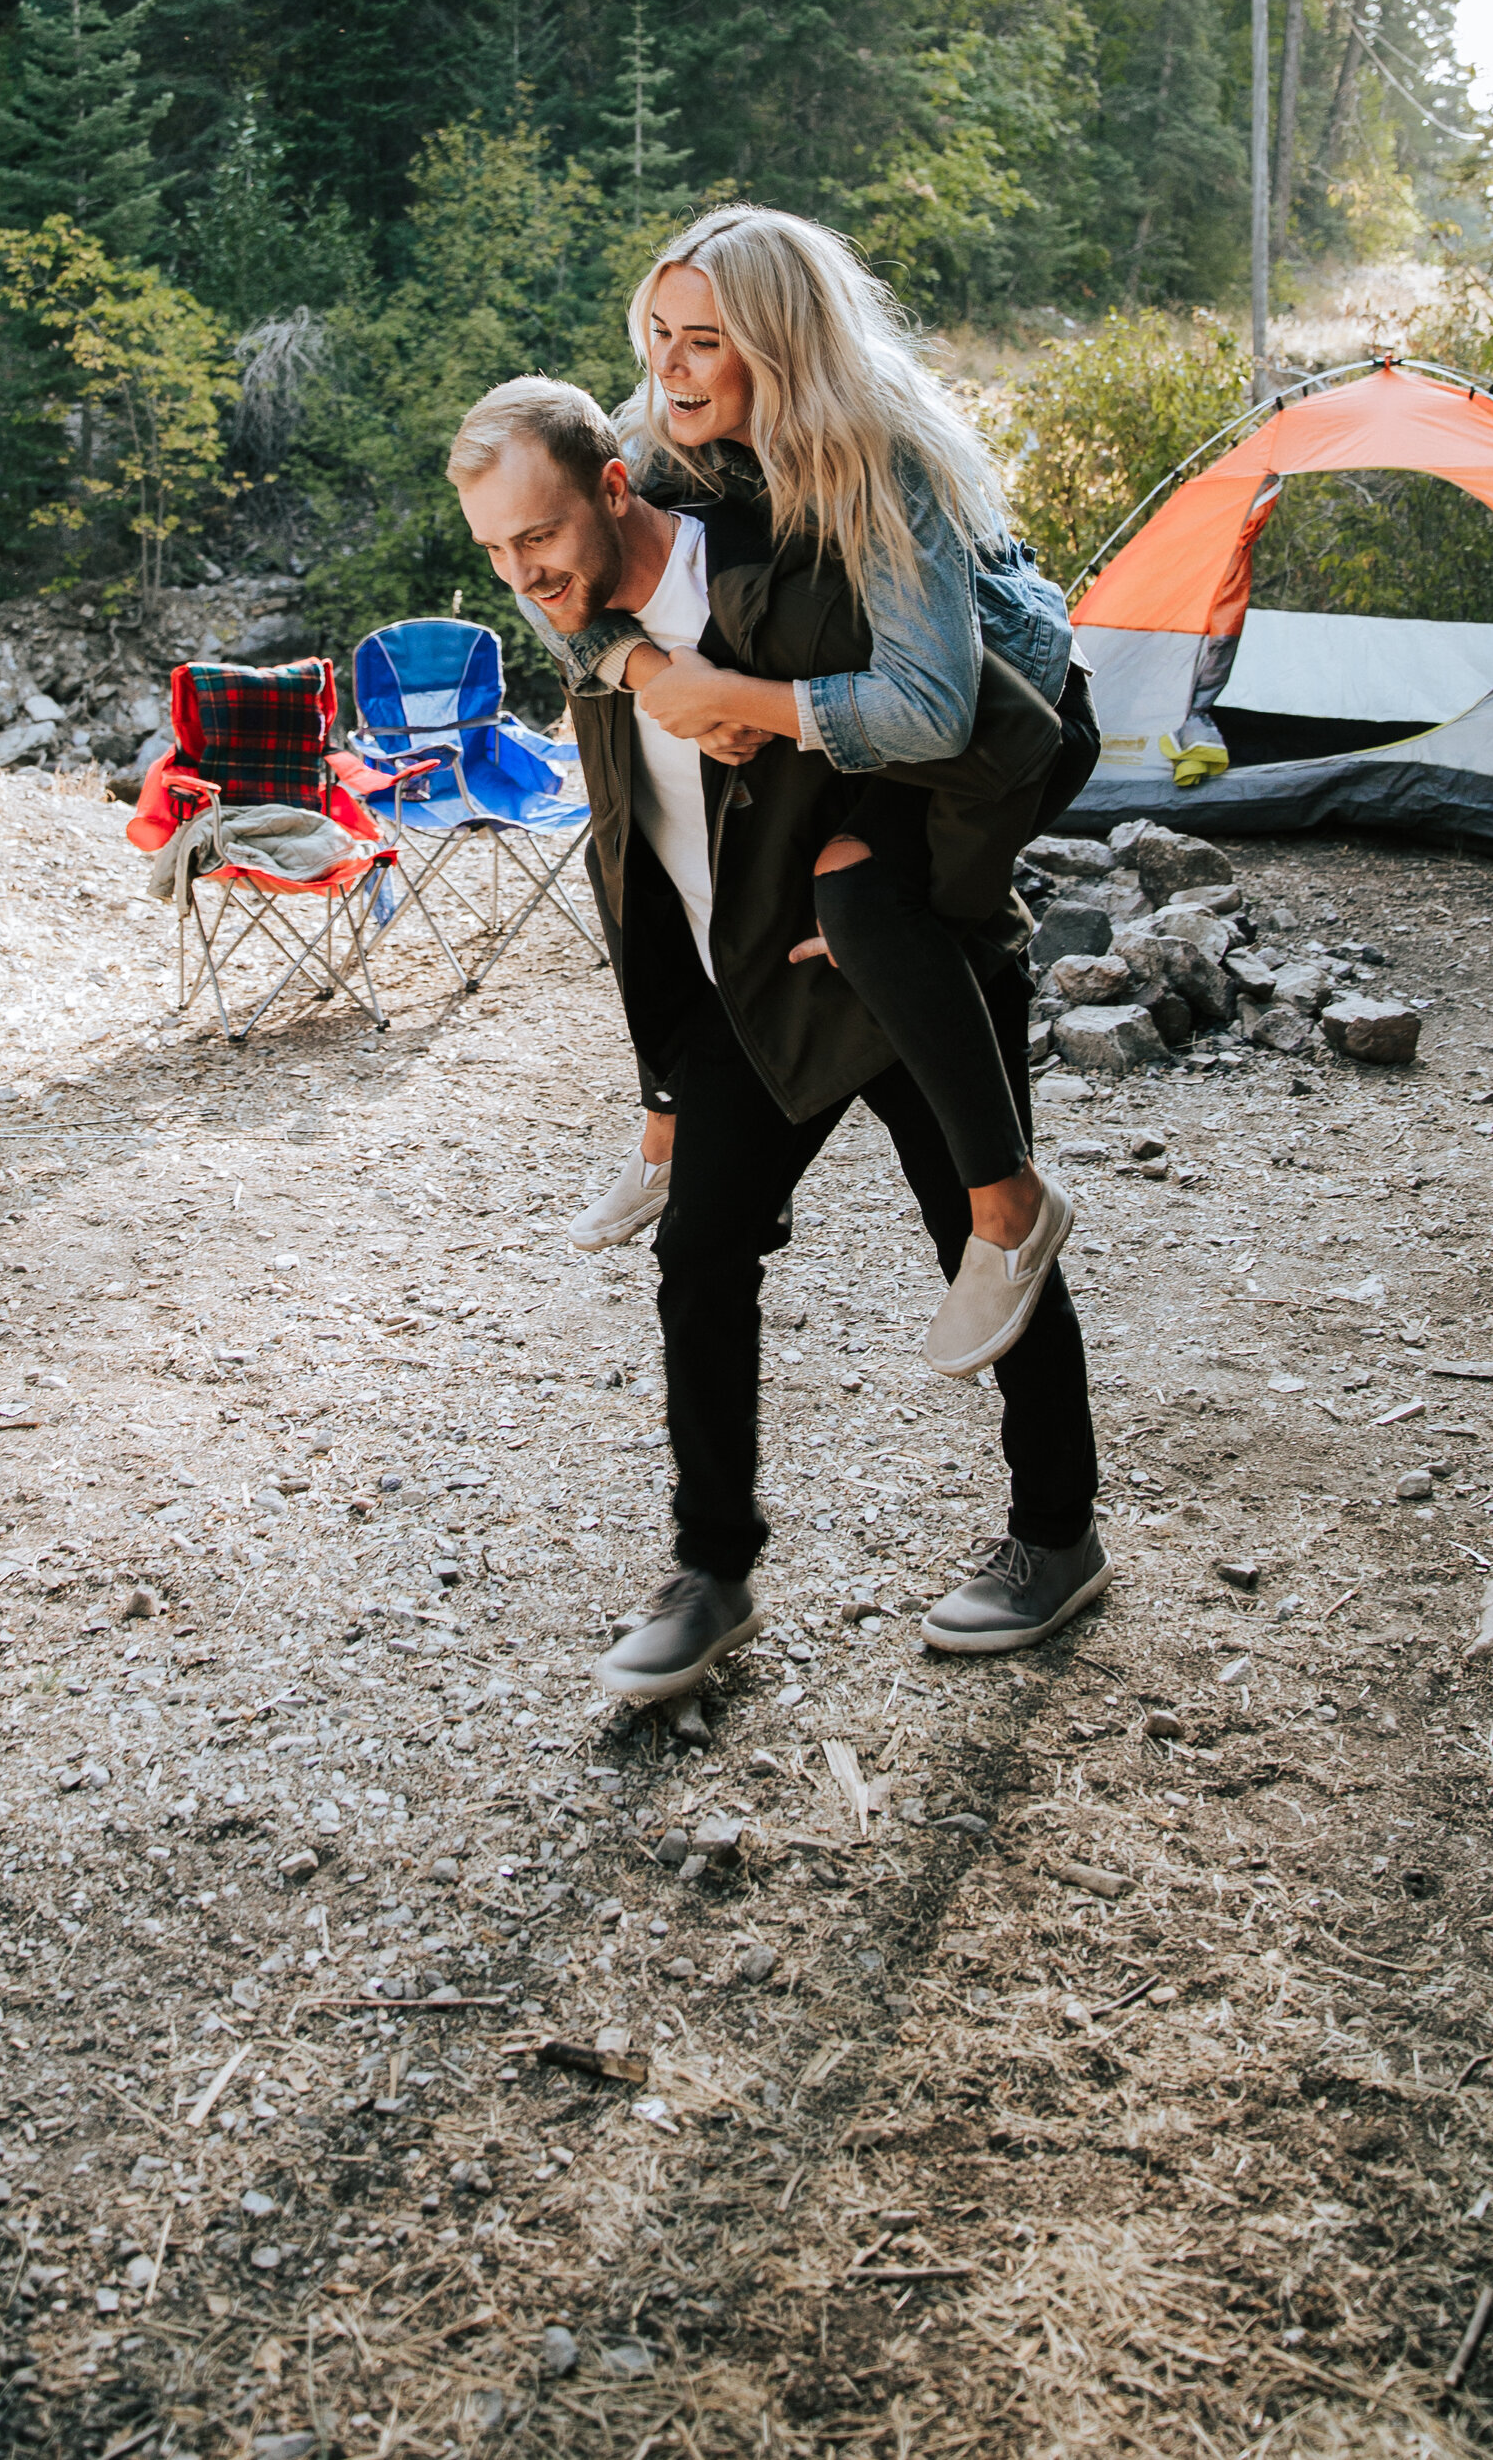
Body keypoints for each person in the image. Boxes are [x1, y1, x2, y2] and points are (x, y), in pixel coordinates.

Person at [447, 371, 1109, 1698]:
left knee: (981, 1232)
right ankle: (713, 1571)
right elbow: (638, 857)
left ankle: (1057, 1537)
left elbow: (1028, 730)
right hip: (742, 993)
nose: (523, 574)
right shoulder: (594, 631)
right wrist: (658, 1082)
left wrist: (911, 884)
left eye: (541, 540)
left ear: (615, 487)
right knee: (699, 1251)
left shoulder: (798, 575)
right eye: (496, 552)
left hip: (892, 971)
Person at [559, 206, 1096, 1387]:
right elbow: (557, 571)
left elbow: (933, 714)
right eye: (657, 331)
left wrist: (743, 701)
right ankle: (670, 1124)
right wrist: (654, 672)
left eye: (703, 340)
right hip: (883, 743)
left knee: (861, 906)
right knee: (645, 880)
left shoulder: (875, 453)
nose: (667, 364)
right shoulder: (660, 440)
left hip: (1002, 732)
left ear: (780, 345)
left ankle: (1006, 1215)